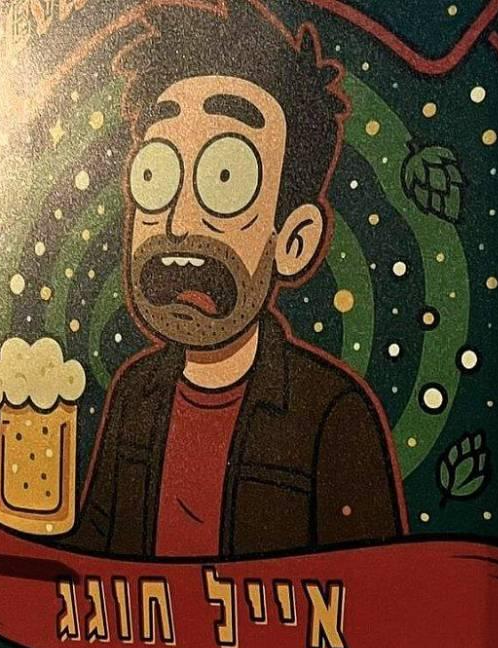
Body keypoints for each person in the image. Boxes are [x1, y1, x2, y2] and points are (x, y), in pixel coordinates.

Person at [66, 0, 406, 558]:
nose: (177, 223)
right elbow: (91, 559)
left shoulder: (332, 416)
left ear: (293, 241)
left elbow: (372, 592)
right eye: (155, 175)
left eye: (226, 178)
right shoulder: (135, 396)